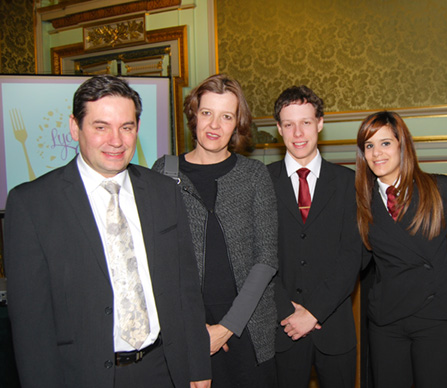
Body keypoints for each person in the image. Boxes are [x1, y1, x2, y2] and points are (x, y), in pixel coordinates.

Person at [4, 75, 211, 388]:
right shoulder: (32, 204)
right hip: (83, 376)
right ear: (75, 127)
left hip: (164, 369)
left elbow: (185, 288)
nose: (116, 140)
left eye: (126, 127)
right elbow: (31, 326)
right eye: (101, 127)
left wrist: (198, 367)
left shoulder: (163, 191)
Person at [152, 74, 278, 387]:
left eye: (226, 116)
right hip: (186, 328)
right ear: (193, 115)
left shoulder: (254, 175)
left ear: (238, 124)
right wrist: (196, 330)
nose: (214, 125)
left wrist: (226, 328)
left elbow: (267, 260)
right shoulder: (163, 174)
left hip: (248, 327)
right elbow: (159, 263)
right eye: (207, 113)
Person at [355, 111, 447, 387]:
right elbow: (351, 258)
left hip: (435, 317)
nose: (377, 153)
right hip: (387, 320)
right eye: (369, 145)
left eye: (385, 143)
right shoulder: (361, 203)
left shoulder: (439, 189)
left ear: (403, 145)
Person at [268, 85, 361, 388]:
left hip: (334, 329)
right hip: (282, 329)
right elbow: (258, 256)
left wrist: (314, 312)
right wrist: (289, 313)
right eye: (289, 124)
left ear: (320, 123)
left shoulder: (350, 183)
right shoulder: (261, 182)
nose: (298, 133)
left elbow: (353, 255)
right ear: (278, 129)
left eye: (306, 122)